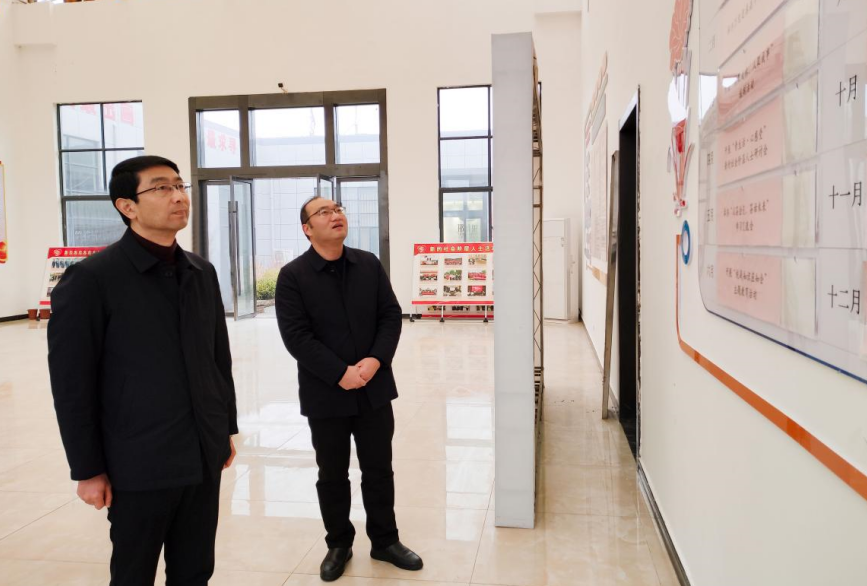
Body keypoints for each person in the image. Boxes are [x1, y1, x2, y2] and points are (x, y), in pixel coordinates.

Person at [47, 155, 238, 586]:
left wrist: (223, 429)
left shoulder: (201, 272)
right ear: (127, 206)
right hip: (137, 462)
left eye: (179, 186)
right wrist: (87, 469)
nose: (178, 197)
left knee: (195, 571)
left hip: (201, 454)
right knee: (134, 573)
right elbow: (72, 385)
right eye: (161, 188)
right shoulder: (92, 279)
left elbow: (217, 360)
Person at [275, 196, 422, 582]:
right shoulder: (293, 276)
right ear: (307, 229)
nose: (335, 215)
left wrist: (375, 360)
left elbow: (390, 315)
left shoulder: (368, 264)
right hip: (326, 392)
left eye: (338, 209)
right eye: (324, 212)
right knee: (332, 473)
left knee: (379, 468)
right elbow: (296, 336)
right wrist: (339, 373)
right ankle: (339, 543)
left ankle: (385, 541)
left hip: (374, 388)